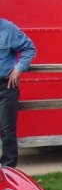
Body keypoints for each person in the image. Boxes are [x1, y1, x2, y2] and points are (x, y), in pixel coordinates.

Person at [0, 18, 36, 167]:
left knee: (7, 129)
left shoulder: (9, 29)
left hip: (5, 87)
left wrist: (19, 68)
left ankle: (8, 169)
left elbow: (29, 49)